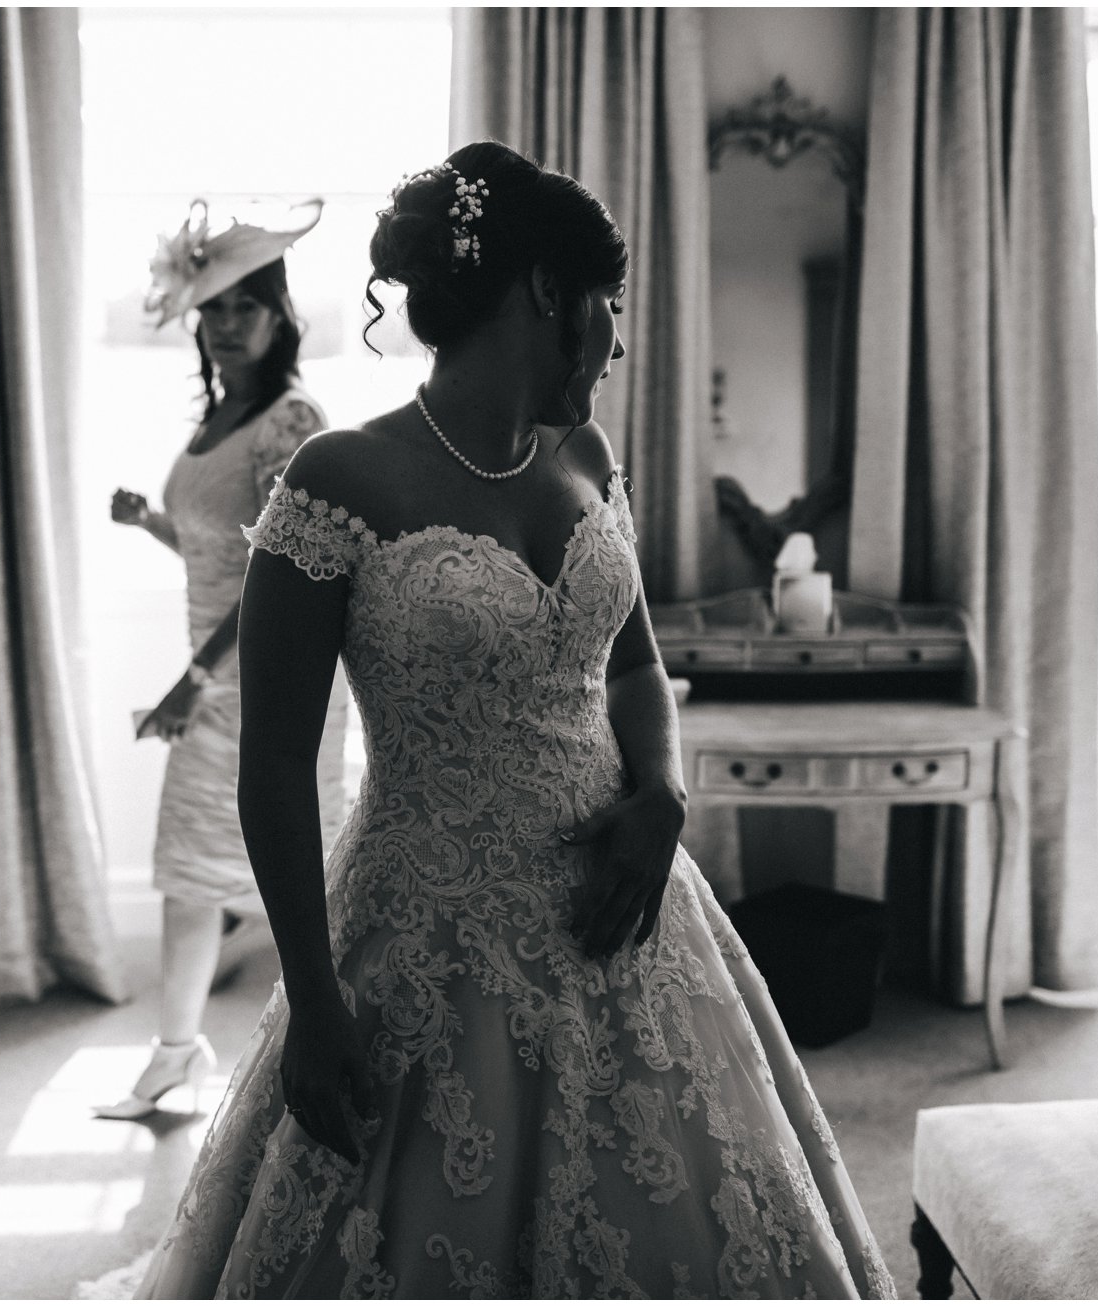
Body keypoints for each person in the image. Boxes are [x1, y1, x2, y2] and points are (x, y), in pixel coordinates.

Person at [139, 142, 893, 1297]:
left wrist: (664, 793)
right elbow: (277, 764)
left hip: (622, 900)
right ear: (548, 293)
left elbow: (635, 661)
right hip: (426, 922)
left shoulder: (586, 453)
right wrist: (312, 997)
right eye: (608, 307)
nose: (618, 339)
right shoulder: (339, 476)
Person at [93, 200, 349, 1121]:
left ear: (281, 316)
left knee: (293, 868)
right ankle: (177, 1051)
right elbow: (221, 550)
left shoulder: (292, 420)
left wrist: (191, 680)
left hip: (266, 674)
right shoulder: (218, 418)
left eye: (246, 306)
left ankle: (321, 1034)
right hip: (214, 664)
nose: (227, 325)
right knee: (192, 867)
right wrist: (153, 524)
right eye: (213, 309)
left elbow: (279, 576)